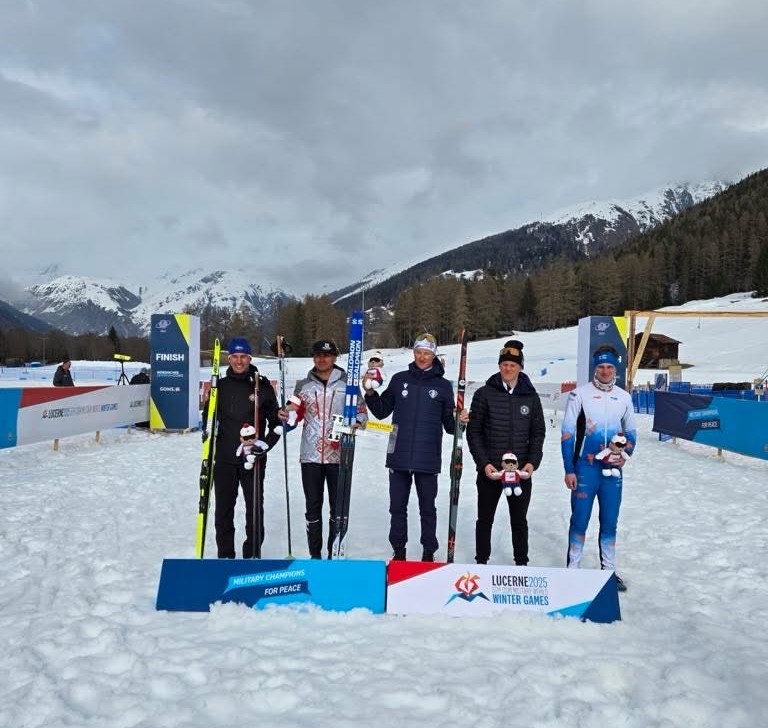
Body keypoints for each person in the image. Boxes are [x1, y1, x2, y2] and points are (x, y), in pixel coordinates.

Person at [363, 333, 463, 562]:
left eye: (426, 353)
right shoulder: (399, 379)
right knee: (397, 507)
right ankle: (399, 551)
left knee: (427, 508)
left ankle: (429, 552)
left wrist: (460, 420)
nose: (422, 357)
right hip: (398, 454)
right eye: (418, 352)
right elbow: (381, 411)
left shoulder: (443, 386)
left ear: (434, 355)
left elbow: (450, 426)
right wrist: (369, 393)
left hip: (428, 459)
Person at [279, 339, 368, 560]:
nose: (322, 359)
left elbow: (363, 414)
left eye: (327, 355)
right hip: (310, 455)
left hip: (339, 455)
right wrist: (285, 414)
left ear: (335, 358)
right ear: (313, 358)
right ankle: (315, 556)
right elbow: (292, 416)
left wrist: (357, 421)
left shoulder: (348, 384)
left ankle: (333, 554)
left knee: (337, 510)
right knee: (312, 508)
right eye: (318, 355)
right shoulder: (303, 385)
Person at [560, 344, 637, 591]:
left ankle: (609, 572)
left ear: (616, 369)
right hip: (585, 468)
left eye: (609, 367)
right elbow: (567, 434)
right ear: (595, 368)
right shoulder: (579, 395)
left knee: (610, 521)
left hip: (612, 470)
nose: (605, 371)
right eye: (601, 367)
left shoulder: (624, 397)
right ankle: (572, 570)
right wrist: (569, 469)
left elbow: (632, 432)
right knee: (580, 519)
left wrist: (625, 454)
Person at [466, 340, 546, 566]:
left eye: (513, 364)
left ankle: (522, 563)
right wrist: (484, 464)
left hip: (519, 472)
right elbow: (474, 432)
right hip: (491, 470)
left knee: (519, 520)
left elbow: (538, 432)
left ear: (520, 367)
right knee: (485, 519)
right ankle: (481, 561)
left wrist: (532, 463)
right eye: (504, 364)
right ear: (499, 366)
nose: (508, 369)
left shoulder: (530, 397)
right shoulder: (484, 394)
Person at [203, 337, 281, 559]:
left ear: (249, 358)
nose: (239, 361)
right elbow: (208, 419)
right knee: (223, 511)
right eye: (235, 357)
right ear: (229, 359)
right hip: (225, 459)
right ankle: (226, 555)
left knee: (254, 510)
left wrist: (265, 445)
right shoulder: (220, 386)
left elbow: (276, 423)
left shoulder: (262, 386)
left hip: (253, 459)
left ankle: (252, 554)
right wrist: (207, 439)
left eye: (243, 357)